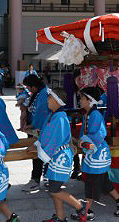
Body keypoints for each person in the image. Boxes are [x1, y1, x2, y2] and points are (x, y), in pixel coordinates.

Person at [29, 87, 87, 222]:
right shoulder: (53, 115)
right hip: (56, 156)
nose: (47, 100)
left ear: (56, 101)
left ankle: (80, 206)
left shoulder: (59, 118)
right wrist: (37, 144)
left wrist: (39, 150)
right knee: (53, 187)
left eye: (49, 98)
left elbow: (53, 140)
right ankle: (60, 217)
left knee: (54, 189)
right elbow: (45, 135)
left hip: (61, 157)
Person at [75, 86, 119, 220]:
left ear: (90, 100)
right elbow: (85, 135)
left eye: (82, 97)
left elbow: (98, 135)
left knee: (91, 182)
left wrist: (83, 143)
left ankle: (87, 211)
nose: (79, 100)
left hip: (97, 153)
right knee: (104, 182)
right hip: (93, 152)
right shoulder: (88, 114)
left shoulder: (95, 115)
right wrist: (81, 142)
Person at [22, 74, 50, 192]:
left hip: (41, 129)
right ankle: (42, 178)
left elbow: (41, 113)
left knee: (40, 154)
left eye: (28, 87)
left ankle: (39, 179)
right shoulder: (39, 92)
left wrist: (32, 125)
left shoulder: (44, 94)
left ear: (34, 86)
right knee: (37, 154)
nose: (27, 89)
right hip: (35, 128)